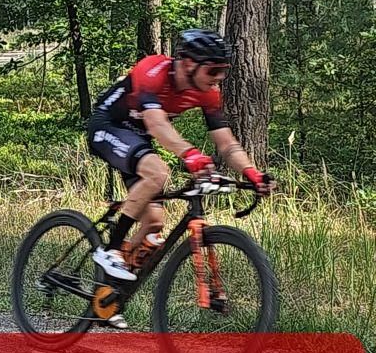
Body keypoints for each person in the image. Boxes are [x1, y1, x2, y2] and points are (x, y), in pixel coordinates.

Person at [86, 29, 276, 328]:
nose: (218, 78)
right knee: (158, 172)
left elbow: (226, 143)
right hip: (108, 126)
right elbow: (156, 123)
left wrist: (252, 173)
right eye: (213, 70)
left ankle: (108, 297)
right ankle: (111, 250)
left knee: (154, 222)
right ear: (189, 63)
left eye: (223, 71)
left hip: (137, 139)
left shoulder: (208, 92)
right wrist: (190, 155)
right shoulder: (153, 71)